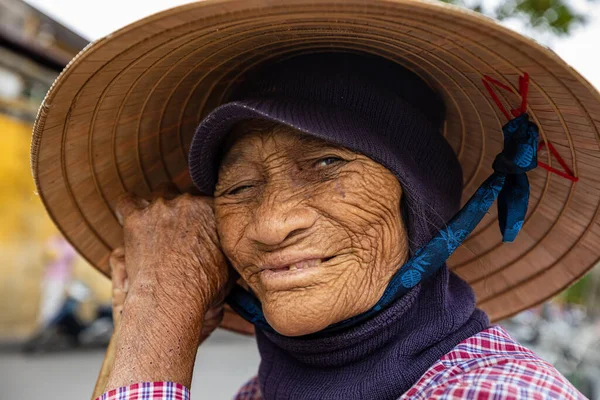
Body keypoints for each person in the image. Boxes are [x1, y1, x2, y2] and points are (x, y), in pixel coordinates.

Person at [30, 1, 600, 399]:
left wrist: (156, 326)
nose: (272, 224)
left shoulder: (498, 392)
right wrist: (147, 317)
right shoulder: (258, 394)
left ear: (421, 208)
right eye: (237, 188)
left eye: (328, 165)